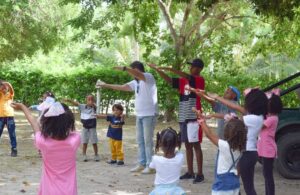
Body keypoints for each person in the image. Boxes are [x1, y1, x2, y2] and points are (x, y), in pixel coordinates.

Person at [148, 58, 205, 183]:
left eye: (194, 66)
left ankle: (200, 174)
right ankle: (190, 172)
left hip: (194, 116)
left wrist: (168, 68)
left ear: (200, 69)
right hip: (183, 116)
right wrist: (158, 70)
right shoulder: (183, 80)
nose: (191, 68)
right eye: (191, 66)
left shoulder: (199, 80)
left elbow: (185, 75)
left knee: (196, 145)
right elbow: (169, 80)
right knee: (188, 145)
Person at [97, 61, 158, 174]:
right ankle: (142, 163)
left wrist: (125, 68)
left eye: (132, 70)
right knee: (140, 141)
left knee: (147, 141)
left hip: (149, 114)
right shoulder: (136, 82)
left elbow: (138, 74)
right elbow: (122, 87)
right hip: (140, 115)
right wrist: (105, 85)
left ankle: (151, 166)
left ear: (137, 70)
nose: (131, 73)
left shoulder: (148, 77)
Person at [206, 88, 268, 195]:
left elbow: (233, 117)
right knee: (242, 184)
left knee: (245, 185)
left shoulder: (251, 118)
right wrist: (216, 100)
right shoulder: (258, 117)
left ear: (253, 103)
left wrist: (216, 98)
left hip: (246, 153)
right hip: (251, 153)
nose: (245, 103)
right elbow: (234, 107)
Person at [11, 102, 81, 195]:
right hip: (69, 191)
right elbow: (72, 130)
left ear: (47, 123)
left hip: (49, 191)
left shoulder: (43, 142)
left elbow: (34, 124)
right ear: (69, 122)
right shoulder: (75, 140)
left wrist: (23, 107)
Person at [195, 107, 246, 195]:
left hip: (223, 185)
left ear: (226, 133)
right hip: (234, 183)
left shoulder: (225, 146)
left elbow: (209, 134)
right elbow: (239, 168)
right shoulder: (241, 148)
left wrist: (201, 119)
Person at [257, 91, 282, 195]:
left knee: (268, 175)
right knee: (266, 175)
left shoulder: (272, 119)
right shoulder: (271, 117)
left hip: (268, 150)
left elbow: (259, 126)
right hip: (265, 149)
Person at [149, 127, 185, 195]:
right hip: (176, 191)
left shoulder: (156, 159)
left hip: (158, 191)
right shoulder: (180, 157)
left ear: (160, 143)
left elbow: (151, 166)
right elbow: (178, 152)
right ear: (177, 144)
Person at [64, 95, 100, 162]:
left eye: (92, 99)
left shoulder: (94, 107)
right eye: (88, 99)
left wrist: (92, 104)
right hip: (85, 127)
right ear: (86, 100)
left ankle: (96, 155)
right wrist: (68, 100)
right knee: (84, 142)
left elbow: (94, 106)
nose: (90, 100)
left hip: (92, 127)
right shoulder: (82, 106)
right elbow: (75, 103)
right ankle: (84, 154)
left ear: (93, 100)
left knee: (94, 142)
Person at [0, 80, 17, 157]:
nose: (3, 89)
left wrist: (6, 83)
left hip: (10, 117)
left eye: (5, 88)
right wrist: (2, 85)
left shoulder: (10, 94)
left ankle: (14, 149)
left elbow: (11, 88)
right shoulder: (0, 95)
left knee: (12, 134)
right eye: (2, 88)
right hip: (1, 118)